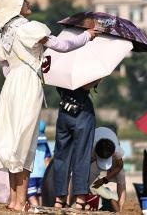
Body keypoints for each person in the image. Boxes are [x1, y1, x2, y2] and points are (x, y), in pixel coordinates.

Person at [0, 0, 96, 212]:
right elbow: (63, 46)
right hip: (27, 84)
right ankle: (21, 202)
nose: (28, 3)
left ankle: (13, 200)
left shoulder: (0, 39)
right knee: (25, 142)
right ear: (16, 8)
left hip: (10, 87)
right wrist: (87, 35)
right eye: (24, 1)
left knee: (12, 142)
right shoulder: (30, 29)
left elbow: (6, 70)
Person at [44, 80, 100, 210]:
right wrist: (98, 79)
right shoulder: (82, 66)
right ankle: (80, 200)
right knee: (82, 156)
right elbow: (85, 85)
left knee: (61, 157)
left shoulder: (61, 65)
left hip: (64, 110)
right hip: (82, 112)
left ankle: (59, 200)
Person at [89, 126, 127, 212]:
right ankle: (70, 204)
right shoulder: (91, 148)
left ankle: (122, 211)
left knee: (121, 180)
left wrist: (104, 180)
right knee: (83, 182)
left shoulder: (116, 149)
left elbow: (119, 166)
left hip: (111, 158)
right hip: (94, 158)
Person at [29, 119, 53, 207]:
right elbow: (47, 159)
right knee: (40, 195)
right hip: (42, 174)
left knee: (31, 196)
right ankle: (40, 209)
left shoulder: (30, 142)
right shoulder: (45, 144)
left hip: (31, 174)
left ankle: (36, 209)